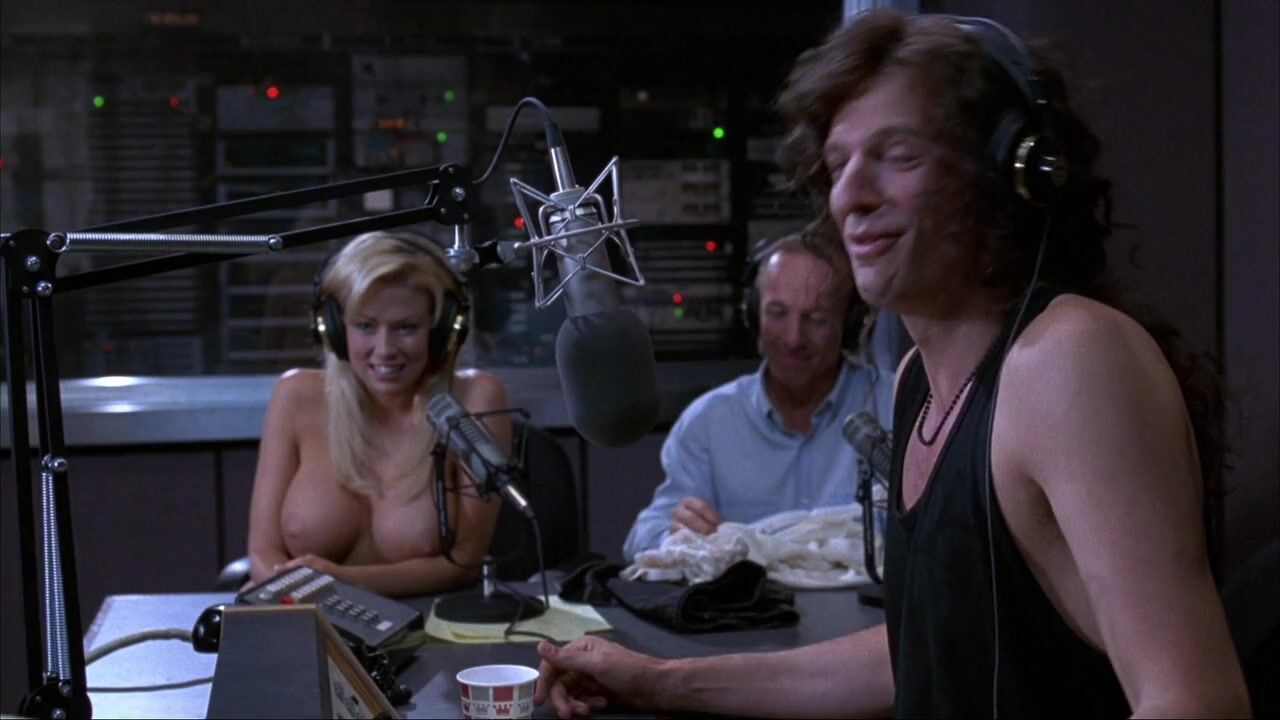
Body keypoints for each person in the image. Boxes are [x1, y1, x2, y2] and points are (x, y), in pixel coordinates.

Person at [535, 10, 1250, 718]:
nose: (850, 195)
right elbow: (916, 654)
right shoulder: (919, 384)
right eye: (839, 164)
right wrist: (657, 681)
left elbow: (1195, 700)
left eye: (899, 155)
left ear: (1007, 173)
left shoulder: (1067, 359)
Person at [246, 230, 510, 597]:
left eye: (406, 328)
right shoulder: (296, 396)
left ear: (442, 330)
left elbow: (466, 559)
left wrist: (343, 583)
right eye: (365, 326)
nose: (384, 349)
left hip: (430, 620)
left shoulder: (476, 397)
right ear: (334, 328)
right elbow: (262, 552)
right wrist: (295, 594)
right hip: (304, 612)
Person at [621, 228, 893, 561]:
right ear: (753, 314)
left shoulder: (896, 406)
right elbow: (642, 538)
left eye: (817, 319)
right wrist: (673, 533)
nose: (794, 339)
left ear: (849, 326)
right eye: (778, 313)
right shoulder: (708, 422)